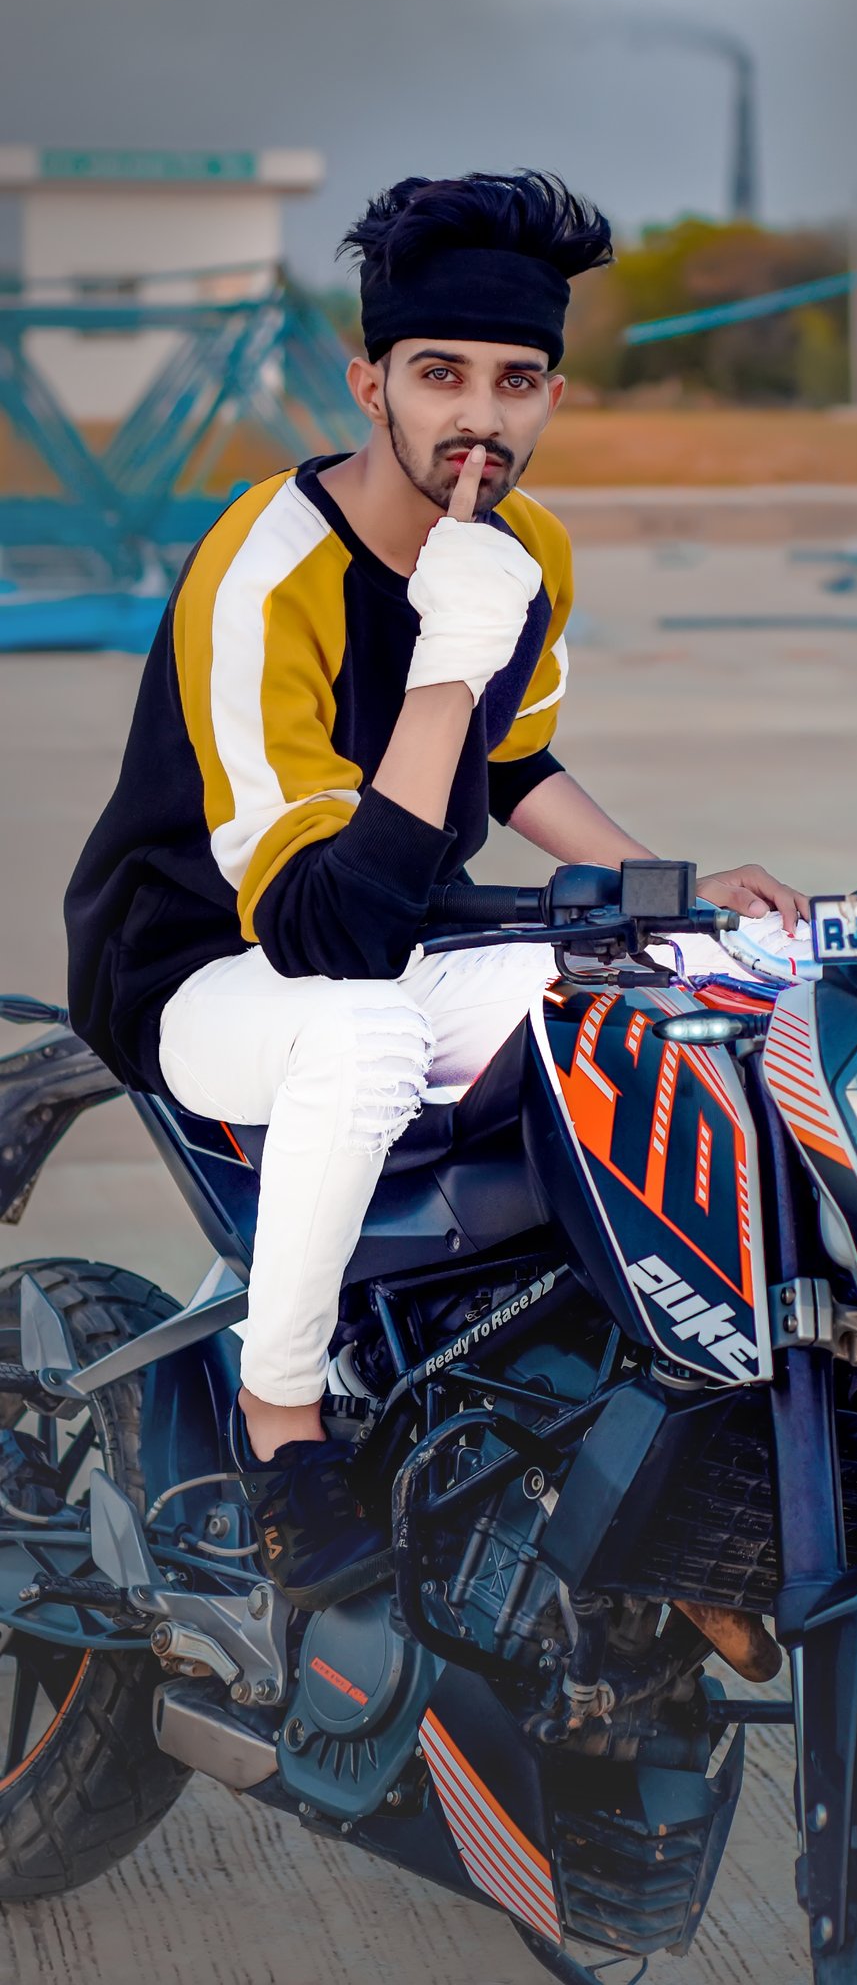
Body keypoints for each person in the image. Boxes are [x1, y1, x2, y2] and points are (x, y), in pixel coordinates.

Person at [63, 170, 809, 1608]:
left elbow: (515, 758)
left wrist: (670, 885)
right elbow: (326, 933)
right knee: (358, 1032)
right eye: (440, 374)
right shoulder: (263, 569)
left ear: (550, 398)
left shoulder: (526, 554)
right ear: (371, 384)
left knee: (710, 984)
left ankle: (688, 1406)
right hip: (206, 965)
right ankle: (282, 1426)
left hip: (409, 929)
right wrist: (448, 648)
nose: (480, 417)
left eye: (515, 381)